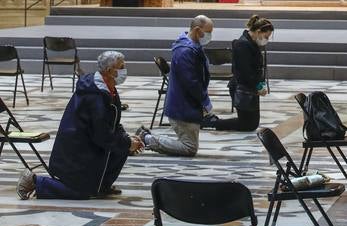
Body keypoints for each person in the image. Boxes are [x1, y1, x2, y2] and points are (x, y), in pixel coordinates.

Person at [17, 51, 143, 200]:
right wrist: (127, 143)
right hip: (76, 152)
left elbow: (112, 124)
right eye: (121, 67)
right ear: (109, 71)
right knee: (80, 193)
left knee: (122, 147)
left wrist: (127, 139)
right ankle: (34, 181)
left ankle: (101, 186)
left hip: (90, 146)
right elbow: (102, 134)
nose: (124, 71)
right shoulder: (95, 95)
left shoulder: (108, 89)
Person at [137, 14, 216, 157]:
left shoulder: (193, 46)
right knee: (189, 147)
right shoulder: (185, 51)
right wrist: (205, 102)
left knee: (189, 145)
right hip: (183, 105)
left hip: (187, 104)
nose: (210, 35)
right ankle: (147, 139)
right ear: (198, 30)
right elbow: (191, 82)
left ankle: (147, 137)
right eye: (208, 32)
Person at [211, 15, 274, 132]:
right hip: (242, 88)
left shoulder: (253, 43)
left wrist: (260, 85)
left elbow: (257, 68)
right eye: (266, 36)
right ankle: (214, 123)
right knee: (247, 124)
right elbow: (244, 71)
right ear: (258, 32)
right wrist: (257, 86)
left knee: (252, 124)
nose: (266, 40)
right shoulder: (242, 44)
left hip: (250, 87)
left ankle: (216, 123)